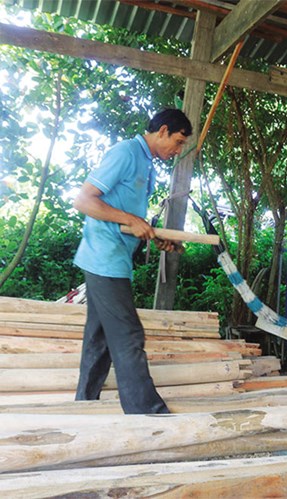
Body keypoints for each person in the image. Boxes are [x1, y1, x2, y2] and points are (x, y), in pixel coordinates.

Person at [73, 108, 193, 414]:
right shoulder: (126, 153)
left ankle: (84, 404)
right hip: (104, 257)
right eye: (178, 142)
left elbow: (126, 217)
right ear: (163, 131)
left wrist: (152, 235)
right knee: (128, 334)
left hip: (113, 256)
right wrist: (130, 219)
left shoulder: (146, 162)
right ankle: (148, 414)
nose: (178, 151)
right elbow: (84, 201)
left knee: (99, 337)